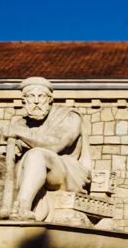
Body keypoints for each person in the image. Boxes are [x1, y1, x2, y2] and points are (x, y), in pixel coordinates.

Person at [7, 77, 93, 220]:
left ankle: (23, 206)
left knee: (37, 155)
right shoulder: (21, 123)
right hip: (28, 171)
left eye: (41, 96)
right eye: (31, 96)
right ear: (24, 101)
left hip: (69, 172)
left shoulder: (69, 116)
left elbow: (57, 144)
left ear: (49, 99)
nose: (36, 101)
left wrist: (18, 132)